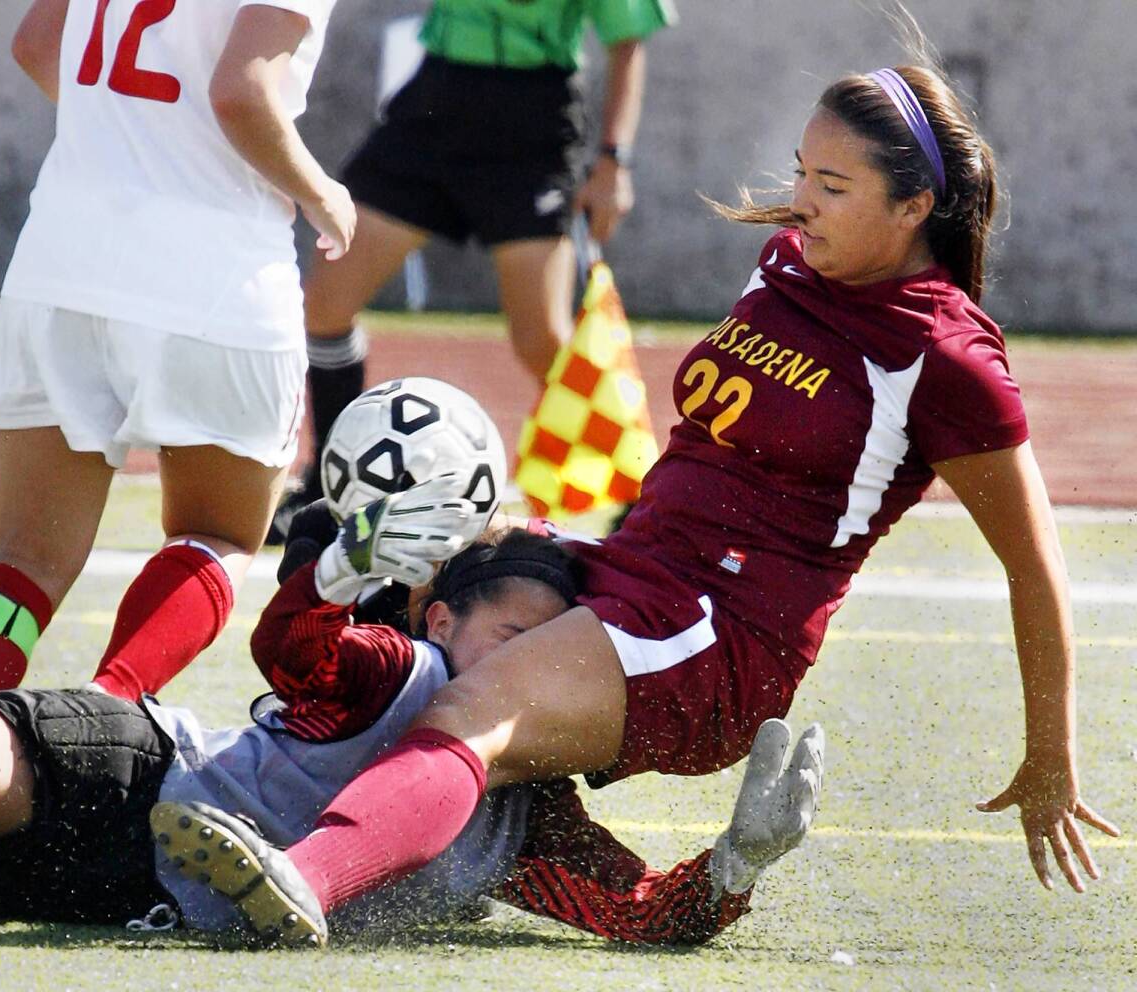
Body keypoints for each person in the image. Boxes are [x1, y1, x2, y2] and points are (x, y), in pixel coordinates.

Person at [175, 53, 1122, 943]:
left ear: (917, 205)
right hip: (629, 565)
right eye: (802, 172)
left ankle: (303, 880)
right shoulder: (790, 263)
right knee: (413, 605)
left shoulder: (947, 357)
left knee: (471, 711)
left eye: (833, 188)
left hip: (723, 631)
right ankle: (604, 877)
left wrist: (1050, 753)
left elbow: (1034, 565)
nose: (801, 202)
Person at [0, 488, 822, 946]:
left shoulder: (530, 832)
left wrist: (734, 867)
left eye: (560, 655)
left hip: (103, 896)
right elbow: (292, 653)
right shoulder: (408, 668)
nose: (537, 672)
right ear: (440, 619)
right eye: (514, 640)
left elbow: (639, 913)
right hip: (119, 780)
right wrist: (333, 573)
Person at [0, 0, 357, 701]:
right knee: (215, 538)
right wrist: (323, 195)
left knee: (24, 562)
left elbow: (38, 45)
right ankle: (101, 714)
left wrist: (128, 139)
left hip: (61, 261)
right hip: (211, 277)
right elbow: (239, 92)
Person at [269, 0, 677, 541]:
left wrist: (613, 162)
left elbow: (628, 40)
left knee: (542, 340)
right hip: (433, 106)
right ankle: (328, 488)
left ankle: (647, 494)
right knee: (325, 305)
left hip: (531, 123)